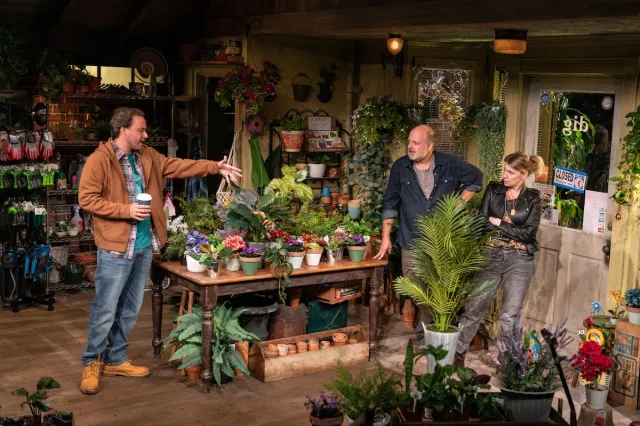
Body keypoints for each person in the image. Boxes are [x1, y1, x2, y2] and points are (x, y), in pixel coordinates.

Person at [78, 107, 242, 395]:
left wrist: (215, 167)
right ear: (123, 130)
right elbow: (87, 199)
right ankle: (92, 361)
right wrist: (125, 210)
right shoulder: (99, 160)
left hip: (143, 246)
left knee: (130, 309)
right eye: (140, 130)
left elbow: (179, 166)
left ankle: (115, 358)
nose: (145, 134)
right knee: (105, 308)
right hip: (116, 247)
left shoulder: (148, 156)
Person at [374, 124, 483, 339]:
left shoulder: (450, 164)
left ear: (430, 146)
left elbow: (476, 179)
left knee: (440, 288)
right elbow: (390, 202)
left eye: (416, 143)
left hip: (442, 242)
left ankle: (431, 334)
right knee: (416, 287)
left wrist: (458, 205)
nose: (410, 147)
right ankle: (431, 329)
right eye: (409, 142)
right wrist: (386, 237)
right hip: (412, 240)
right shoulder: (400, 167)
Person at [455, 152, 545, 366]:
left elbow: (529, 234)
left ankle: (507, 362)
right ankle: (457, 352)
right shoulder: (494, 189)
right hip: (490, 254)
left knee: (510, 314)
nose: (505, 175)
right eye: (504, 170)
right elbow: (483, 223)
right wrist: (506, 228)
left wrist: (500, 225)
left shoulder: (533, 198)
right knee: (475, 307)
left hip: (520, 259)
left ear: (523, 175)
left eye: (510, 172)